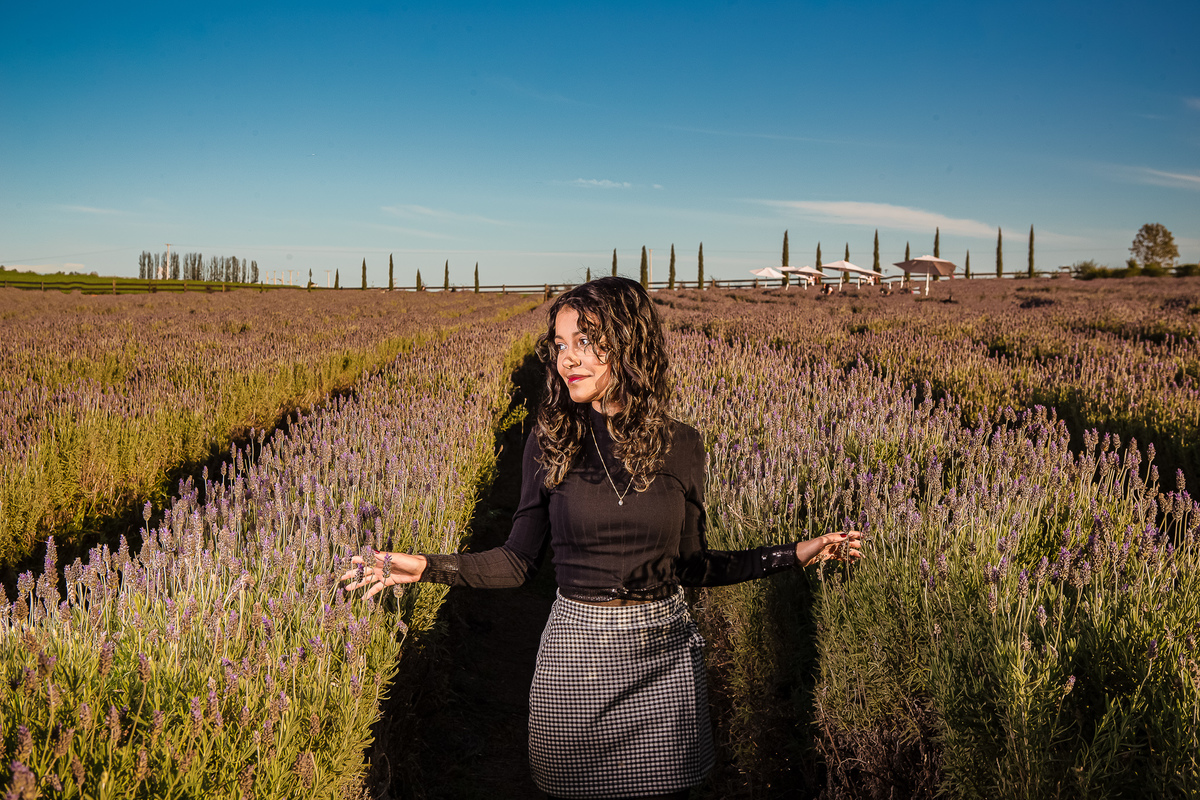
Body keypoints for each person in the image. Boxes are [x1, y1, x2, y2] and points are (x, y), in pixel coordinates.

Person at [343, 276, 865, 799]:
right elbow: (518, 561)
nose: (568, 358)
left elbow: (694, 565)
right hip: (576, 658)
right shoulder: (549, 441)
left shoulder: (682, 444)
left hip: (664, 658)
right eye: (560, 344)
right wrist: (427, 567)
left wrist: (796, 553)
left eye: (586, 341)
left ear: (629, 342)